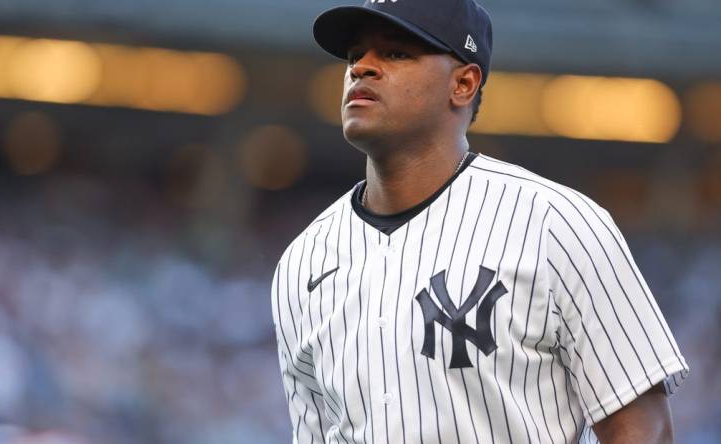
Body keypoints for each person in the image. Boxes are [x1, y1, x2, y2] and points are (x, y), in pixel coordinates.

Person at [270, 0, 689, 443]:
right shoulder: (302, 262)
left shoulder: (556, 224)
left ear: (464, 84)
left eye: (394, 53)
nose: (361, 69)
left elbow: (644, 429)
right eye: (355, 55)